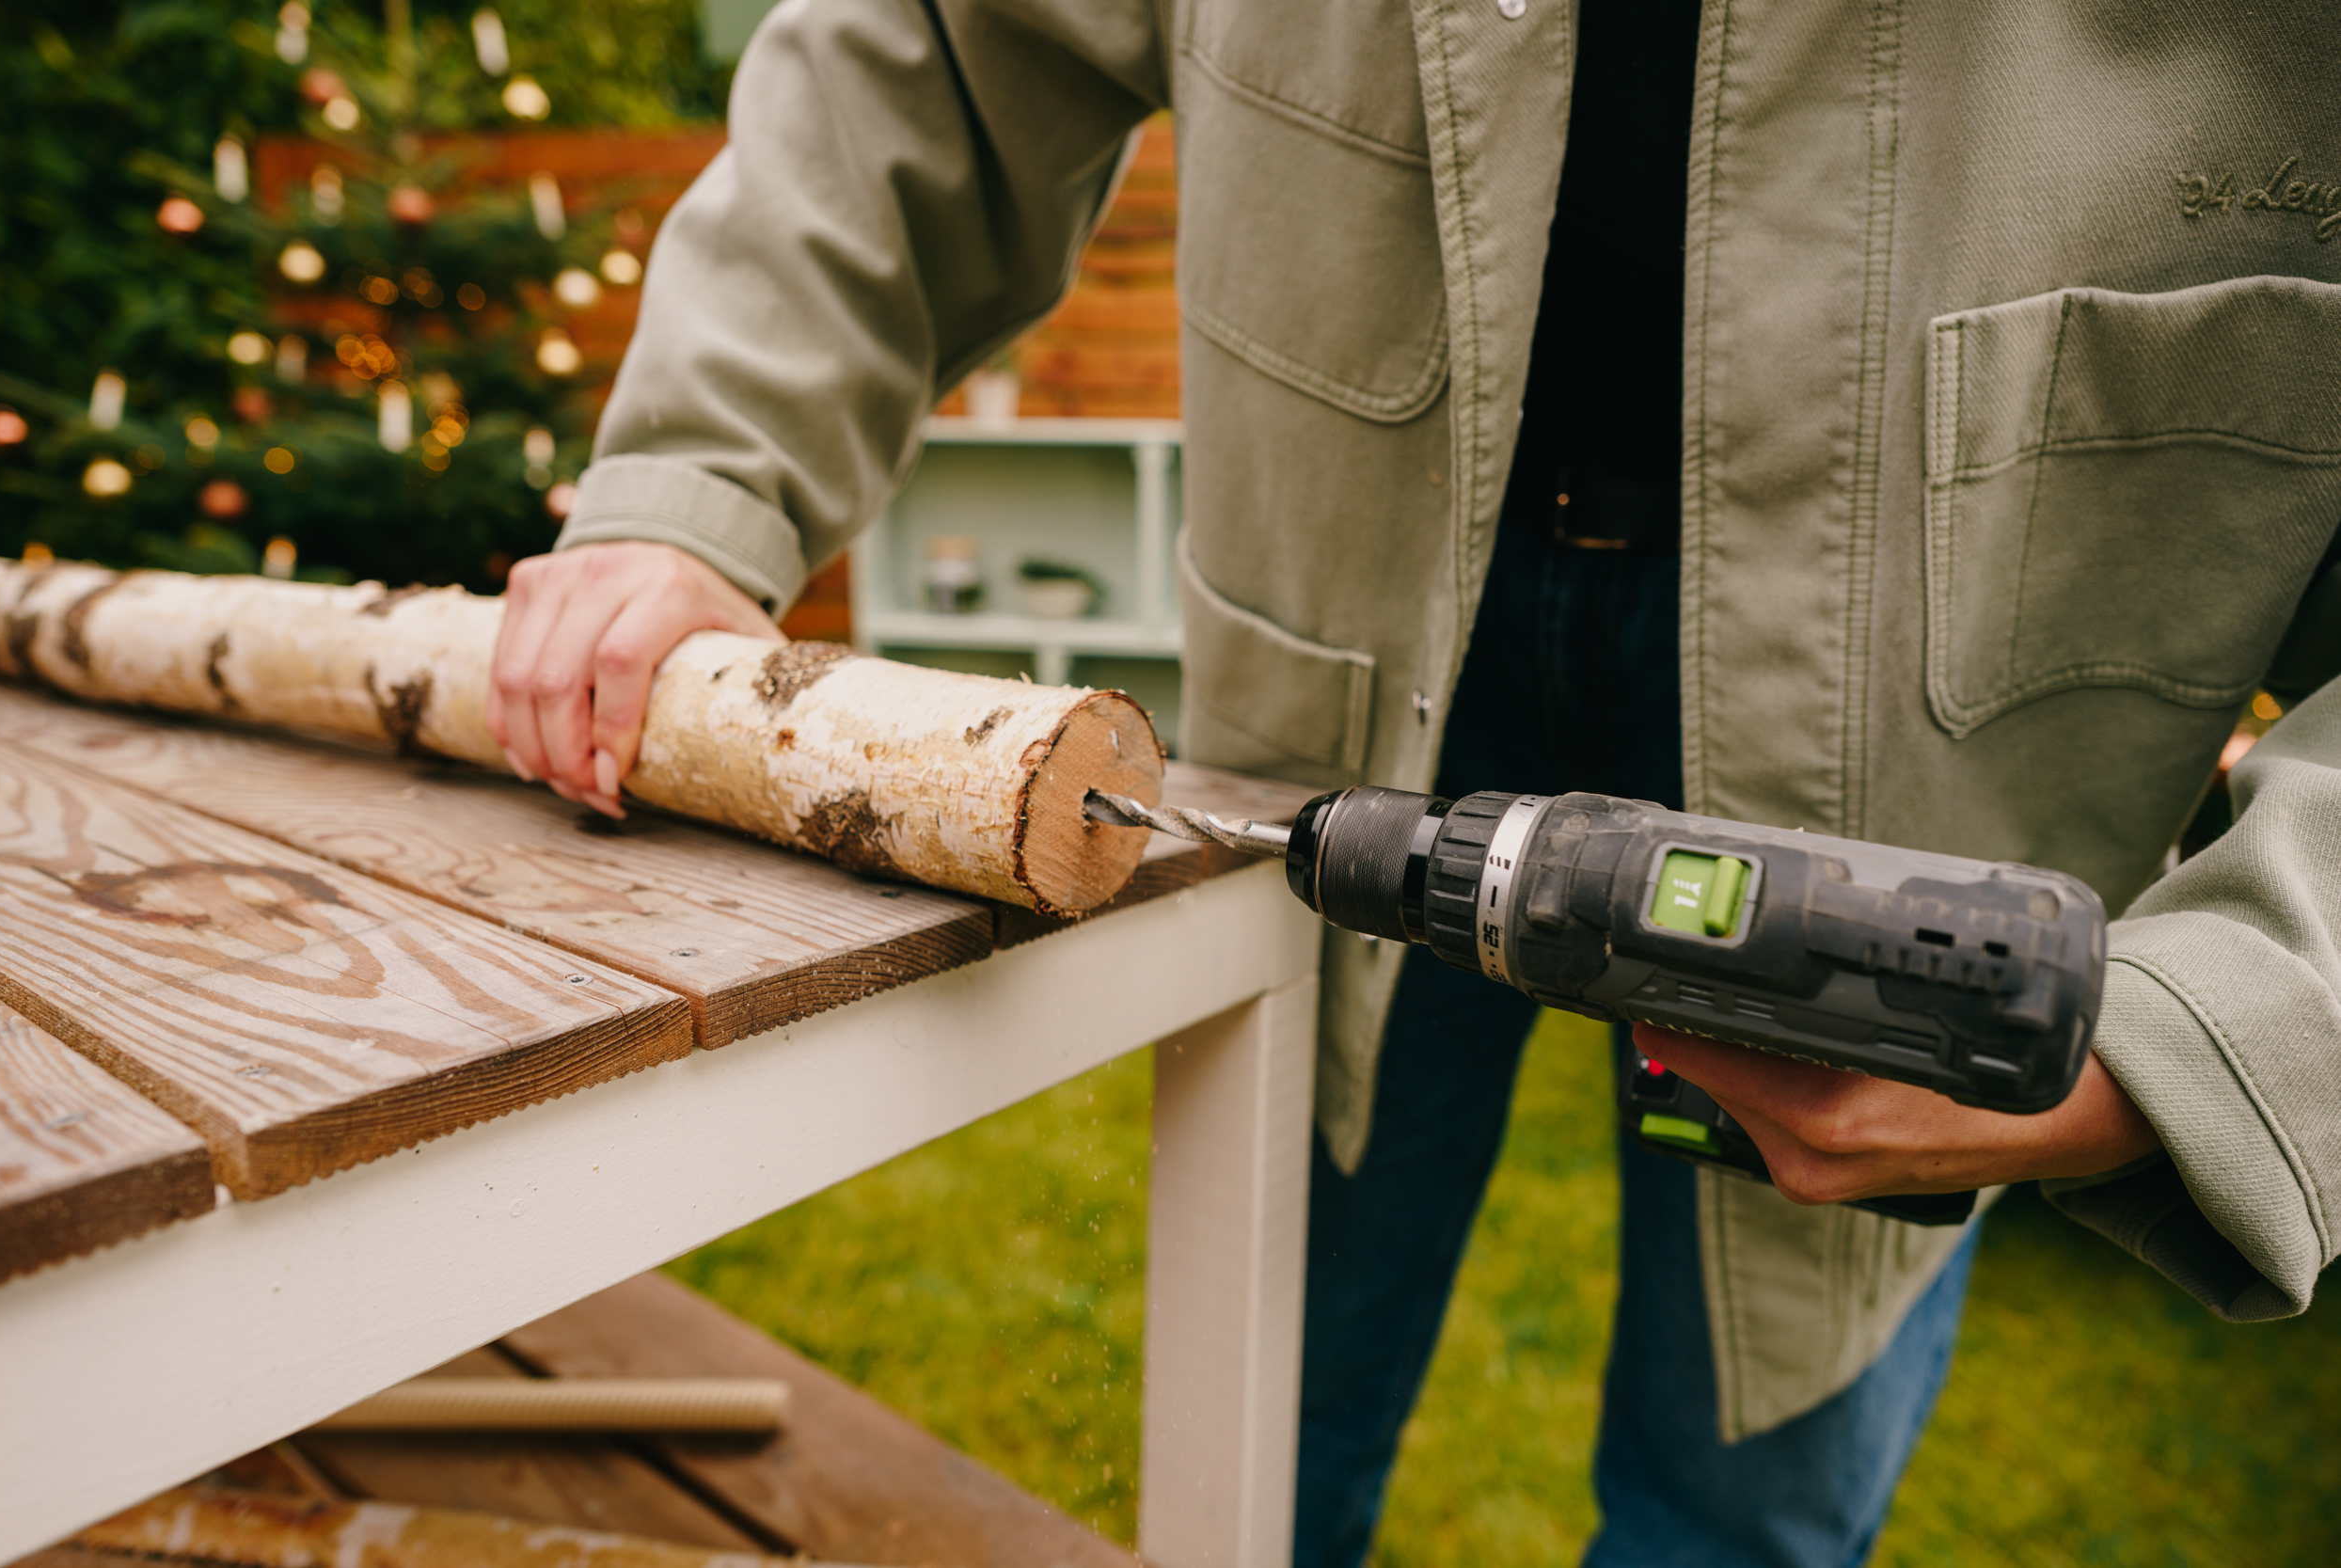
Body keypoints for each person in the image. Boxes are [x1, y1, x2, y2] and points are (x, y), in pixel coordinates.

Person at [488, 2, 2341, 1562]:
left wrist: (2209, 1020)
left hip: (1933, 747)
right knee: (1261, 1413)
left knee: (1750, 1488)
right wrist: (697, 486)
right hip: (1350, 649)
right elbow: (925, 51)